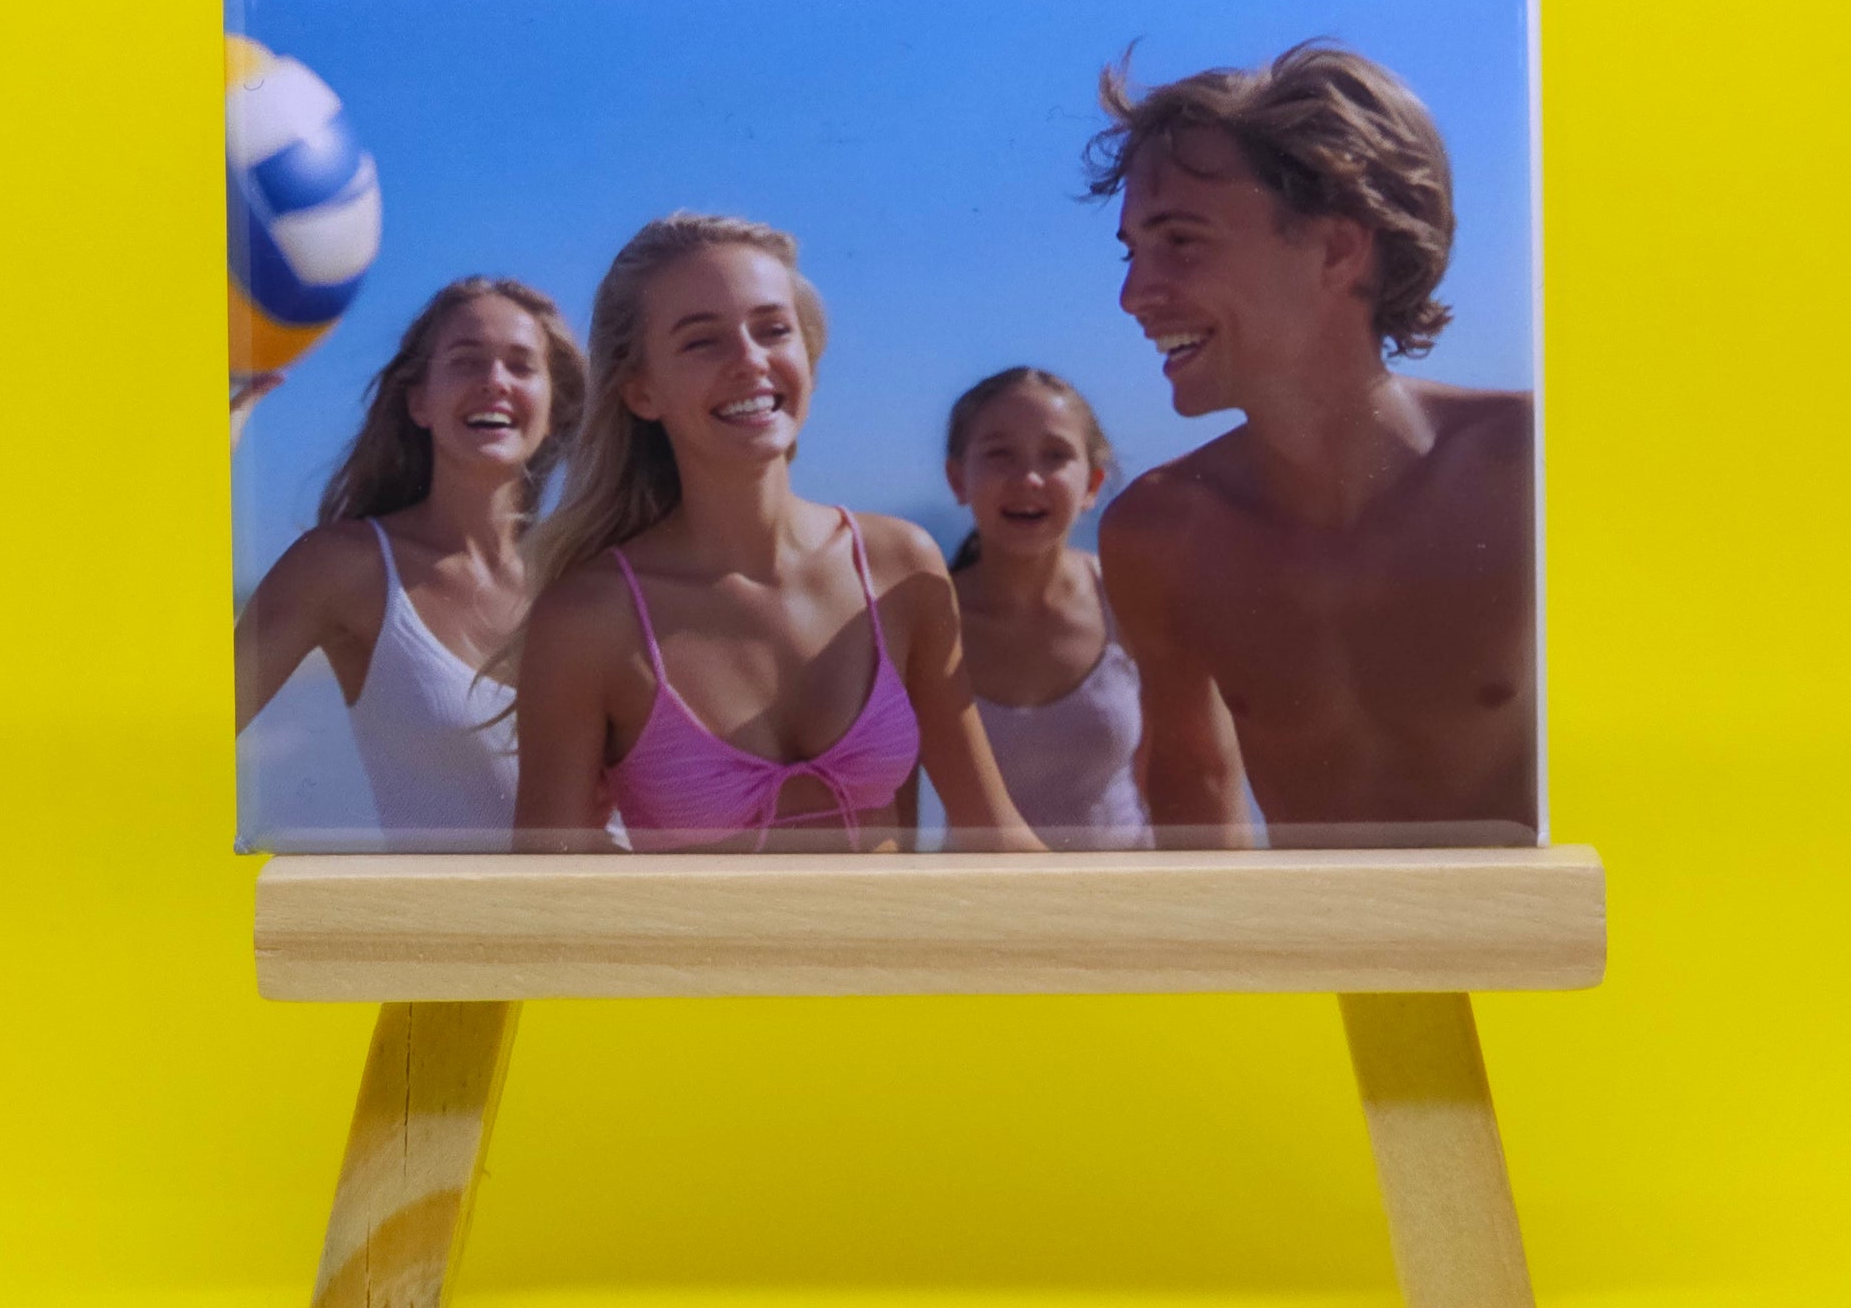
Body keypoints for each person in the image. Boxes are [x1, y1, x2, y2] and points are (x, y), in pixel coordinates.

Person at [1091, 43, 1536, 845]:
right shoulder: (1159, 535)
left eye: (1181, 240)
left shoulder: (1528, 471)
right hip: (1327, 965)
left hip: (1529, 961)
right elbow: (1195, 792)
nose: (1132, 295)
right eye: (1132, 251)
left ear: (1337, 248)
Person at [509, 213, 1040, 853]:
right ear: (642, 391)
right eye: (703, 341)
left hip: (891, 951)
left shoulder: (902, 566)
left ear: (807, 357)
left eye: (773, 331)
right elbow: (550, 889)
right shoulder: (589, 621)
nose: (750, 361)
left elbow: (994, 831)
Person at [234, 276, 586, 840]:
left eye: (521, 366)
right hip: (450, 928)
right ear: (419, 400)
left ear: (554, 407)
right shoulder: (347, 567)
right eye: (467, 362)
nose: (495, 381)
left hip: (622, 922)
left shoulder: (590, 580)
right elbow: (188, 722)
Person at [938, 367, 1151, 849]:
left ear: (1092, 483)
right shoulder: (927, 621)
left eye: (1054, 456)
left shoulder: (1127, 599)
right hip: (977, 911)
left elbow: (1185, 772)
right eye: (1000, 455)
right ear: (958, 478)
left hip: (1127, 903)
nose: (1029, 478)